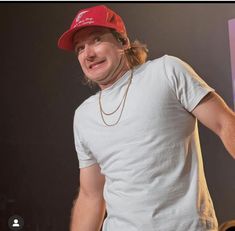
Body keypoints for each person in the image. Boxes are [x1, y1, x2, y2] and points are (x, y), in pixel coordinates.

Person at [57, 5, 235, 231]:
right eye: (80, 48)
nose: (88, 53)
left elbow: (224, 123)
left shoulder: (165, 71)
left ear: (122, 42)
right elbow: (91, 195)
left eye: (97, 40)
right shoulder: (83, 115)